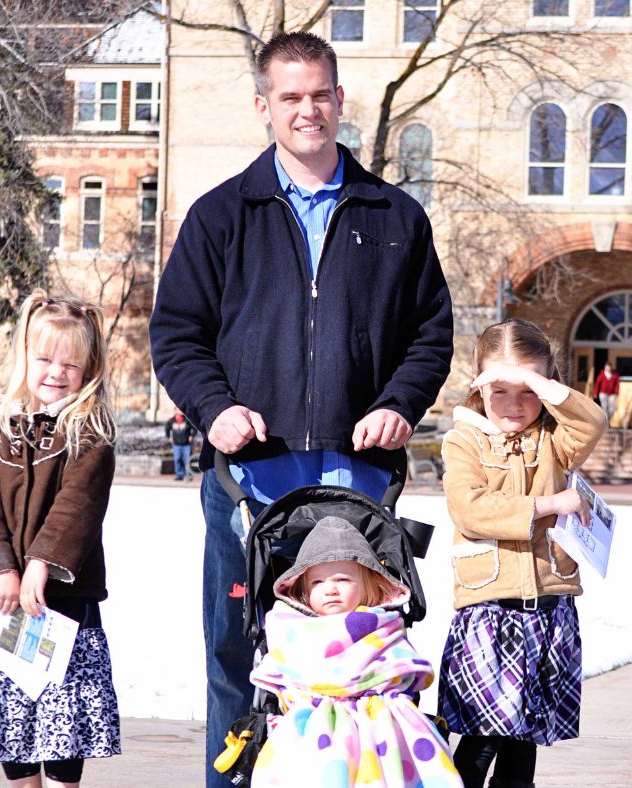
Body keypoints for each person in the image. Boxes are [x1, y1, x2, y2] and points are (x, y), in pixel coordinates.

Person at [148, 31, 453, 787]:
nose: (307, 110)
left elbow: (430, 334)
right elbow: (177, 333)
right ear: (264, 107)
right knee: (237, 659)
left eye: (320, 94)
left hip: (357, 488)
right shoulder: (223, 215)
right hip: (251, 485)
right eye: (290, 97)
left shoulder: (395, 217)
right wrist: (212, 408)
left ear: (341, 100)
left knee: (365, 663)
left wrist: (399, 403)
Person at [437, 318, 607, 788]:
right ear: (479, 385)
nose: (515, 405)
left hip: (548, 607)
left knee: (524, 736)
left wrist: (543, 385)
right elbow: (471, 510)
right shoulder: (464, 440)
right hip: (490, 610)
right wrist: (548, 504)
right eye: (501, 390)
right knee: (484, 733)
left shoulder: (555, 439)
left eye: (527, 390)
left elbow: (593, 422)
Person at [0, 290, 121, 786]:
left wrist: (41, 564)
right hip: (7, 598)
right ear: (25, 357)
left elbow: (78, 505)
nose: (56, 371)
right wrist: (1, 567)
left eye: (70, 364)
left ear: (89, 369)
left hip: (65, 601)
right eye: (45, 358)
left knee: (62, 718)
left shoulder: (90, 429)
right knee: (12, 713)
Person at [247, 515, 461, 787]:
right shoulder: (293, 627)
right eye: (317, 582)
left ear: (368, 585)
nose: (331, 590)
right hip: (312, 717)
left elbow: (400, 668)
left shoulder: (380, 625)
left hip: (380, 716)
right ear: (302, 590)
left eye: (343, 579)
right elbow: (284, 668)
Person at [166, 406, 196, 481]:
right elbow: (167, 430)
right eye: (178, 409)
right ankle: (179, 475)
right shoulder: (171, 421)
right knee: (177, 459)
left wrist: (192, 436)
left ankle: (189, 475)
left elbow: (194, 428)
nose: (180, 411)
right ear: (175, 411)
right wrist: (169, 437)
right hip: (176, 444)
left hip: (186, 444)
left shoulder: (187, 420)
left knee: (188, 460)